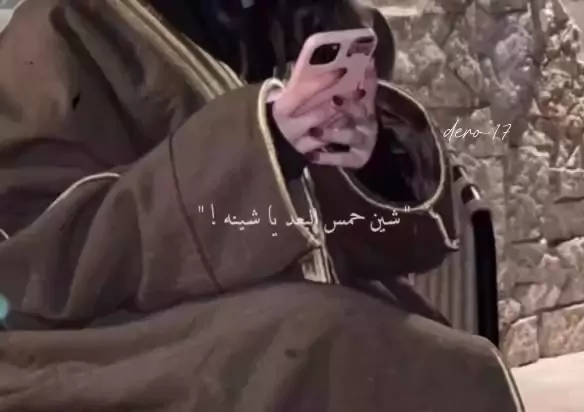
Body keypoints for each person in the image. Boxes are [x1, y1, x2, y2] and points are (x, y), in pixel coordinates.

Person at [0, 0, 524, 411]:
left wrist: (369, 156)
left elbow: (353, 240)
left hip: (304, 309)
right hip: (116, 345)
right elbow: (41, 261)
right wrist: (258, 141)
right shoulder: (60, 31)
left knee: (446, 364)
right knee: (346, 346)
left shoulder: (314, 17)